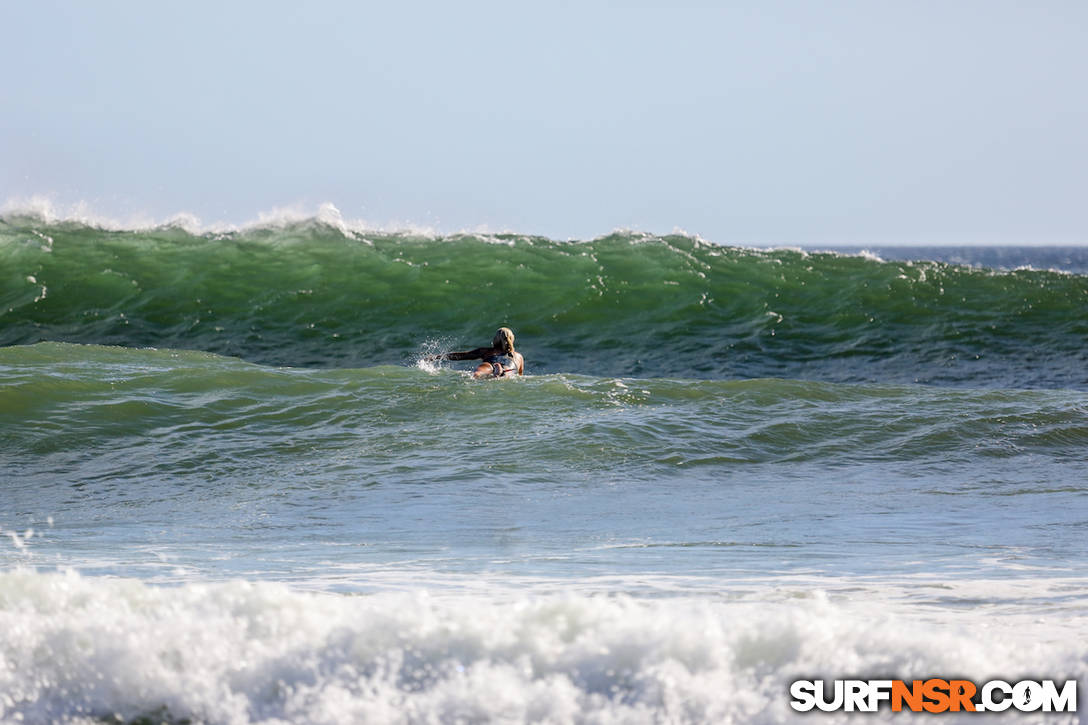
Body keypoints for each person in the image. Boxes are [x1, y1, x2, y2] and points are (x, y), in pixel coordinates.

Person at [433, 327, 524, 378]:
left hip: (490, 361)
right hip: (510, 364)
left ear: (496, 340)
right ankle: (502, 372)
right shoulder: (518, 356)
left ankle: (494, 369)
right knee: (508, 374)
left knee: (478, 373)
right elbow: (520, 377)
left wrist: (437, 357)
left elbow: (461, 356)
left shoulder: (487, 351)